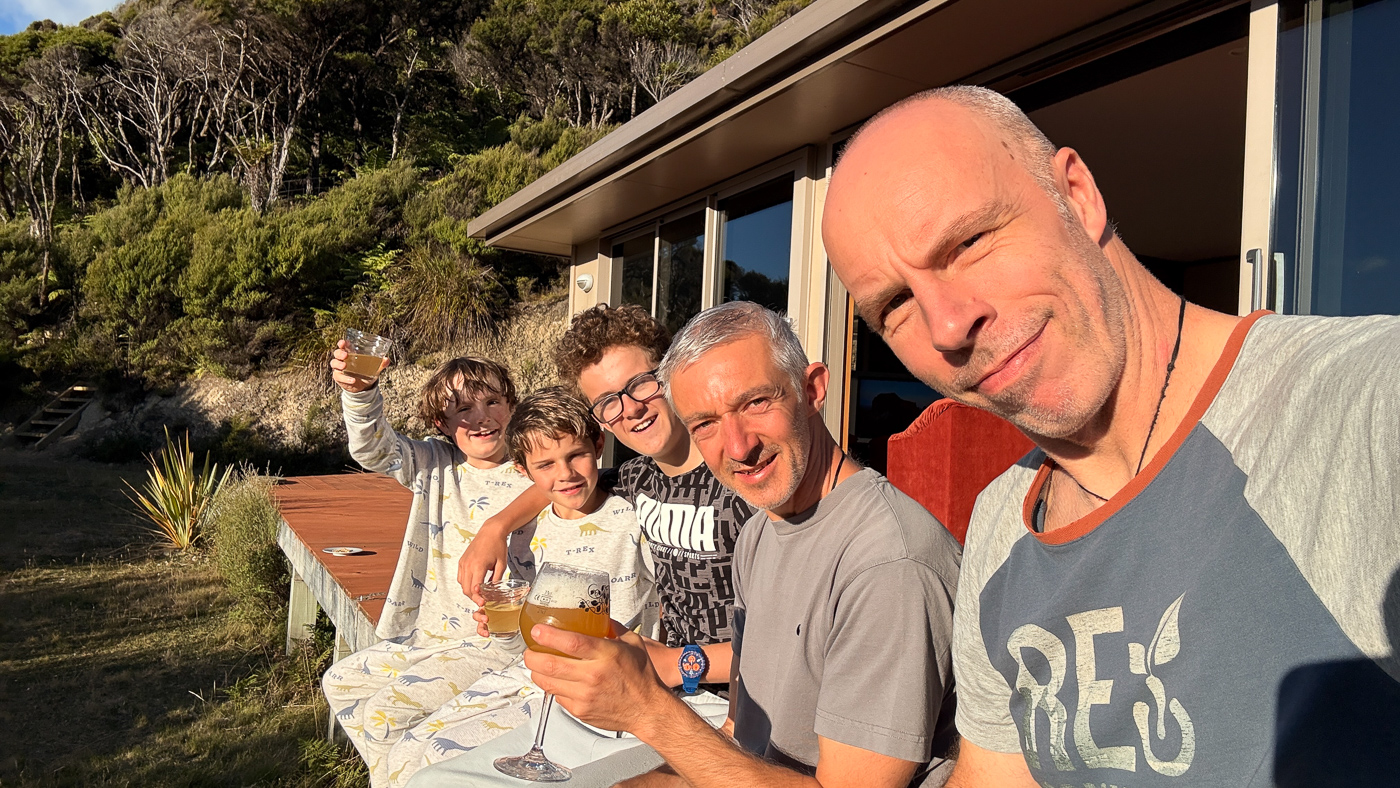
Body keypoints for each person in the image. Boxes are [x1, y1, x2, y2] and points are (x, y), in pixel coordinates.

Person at [821, 85, 1400, 787]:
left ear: (1078, 196)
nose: (948, 325)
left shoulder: (1369, 401)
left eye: (968, 243)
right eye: (896, 304)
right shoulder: (1002, 529)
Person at [514, 301, 962, 788]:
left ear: (813, 390)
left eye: (755, 403)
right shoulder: (760, 532)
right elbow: (740, 734)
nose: (738, 446)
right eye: (704, 423)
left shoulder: (888, 565)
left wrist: (647, 708)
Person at [406, 304, 754, 787]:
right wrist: (495, 528)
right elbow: (560, 482)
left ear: (673, 374)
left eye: (642, 384)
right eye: (609, 401)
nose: (630, 408)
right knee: (434, 773)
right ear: (600, 422)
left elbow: (787, 643)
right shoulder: (637, 478)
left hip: (726, 703)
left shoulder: (741, 481)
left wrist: (677, 665)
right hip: (647, 686)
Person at [385, 385, 662, 785]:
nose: (565, 474)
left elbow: (663, 604)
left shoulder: (632, 518)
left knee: (442, 757)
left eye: (576, 455)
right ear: (522, 470)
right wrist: (505, 627)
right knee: (412, 748)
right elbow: (525, 636)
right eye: (545, 464)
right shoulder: (529, 530)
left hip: (593, 682)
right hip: (526, 673)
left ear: (599, 446)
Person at [321, 350, 535, 787]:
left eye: (493, 402)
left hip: (493, 645)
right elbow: (373, 448)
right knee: (341, 681)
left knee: (385, 717)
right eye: (463, 409)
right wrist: (360, 394)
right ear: (442, 424)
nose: (481, 418)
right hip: (428, 636)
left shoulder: (537, 471)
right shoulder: (434, 463)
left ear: (512, 405)